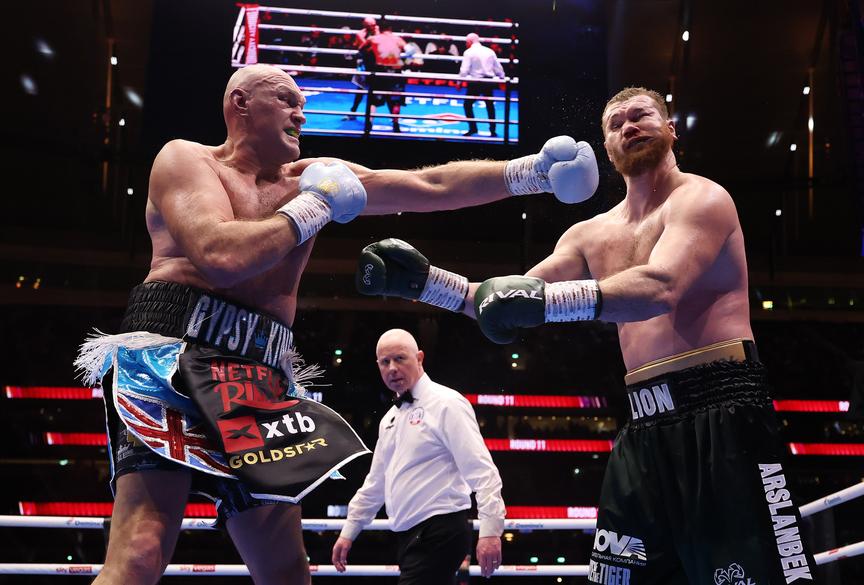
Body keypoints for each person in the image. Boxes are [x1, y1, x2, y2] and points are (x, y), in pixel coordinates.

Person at [73, 63, 598, 585]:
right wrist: (316, 206)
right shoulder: (186, 160)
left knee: (286, 570)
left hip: (255, 374)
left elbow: (426, 184)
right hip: (169, 359)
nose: (301, 113)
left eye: (302, 103)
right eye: (286, 99)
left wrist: (531, 173)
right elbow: (221, 256)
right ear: (240, 103)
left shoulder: (311, 175)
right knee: (142, 551)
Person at [356, 87, 816, 584]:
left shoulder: (702, 199)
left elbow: (660, 287)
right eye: (616, 123)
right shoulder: (589, 234)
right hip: (644, 422)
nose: (629, 126)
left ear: (671, 129)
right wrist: (428, 284)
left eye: (641, 116)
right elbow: (503, 303)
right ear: (607, 149)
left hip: (723, 411)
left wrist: (547, 303)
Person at [331, 329, 505, 583]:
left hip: (440, 531)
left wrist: (490, 530)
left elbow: (481, 469)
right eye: (385, 362)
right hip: (409, 537)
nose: (392, 368)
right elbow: (376, 482)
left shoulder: (447, 403)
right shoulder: (390, 419)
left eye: (400, 358)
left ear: (420, 358)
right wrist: (349, 531)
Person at [360, 22, 407, 132]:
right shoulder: (397, 39)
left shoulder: (373, 39)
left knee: (373, 100)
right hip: (395, 70)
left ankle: (369, 123)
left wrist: (373, 51)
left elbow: (361, 49)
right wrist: (399, 57)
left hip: (380, 70)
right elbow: (410, 50)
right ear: (390, 28)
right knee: (396, 100)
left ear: (379, 29)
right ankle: (396, 124)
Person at [459, 33, 504, 137]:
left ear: (470, 42)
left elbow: (464, 70)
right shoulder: (489, 51)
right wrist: (502, 78)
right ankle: (492, 130)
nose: (466, 44)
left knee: (467, 104)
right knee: (490, 105)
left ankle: (473, 128)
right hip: (488, 82)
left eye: (466, 42)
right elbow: (498, 67)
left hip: (475, 82)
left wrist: (459, 82)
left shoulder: (468, 52)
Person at [342, 17, 378, 121]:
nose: (373, 27)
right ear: (365, 25)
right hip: (365, 63)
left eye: (374, 25)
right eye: (370, 25)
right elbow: (368, 47)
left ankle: (394, 118)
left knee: (381, 91)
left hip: (377, 63)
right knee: (361, 89)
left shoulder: (378, 31)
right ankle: (354, 112)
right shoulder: (360, 34)